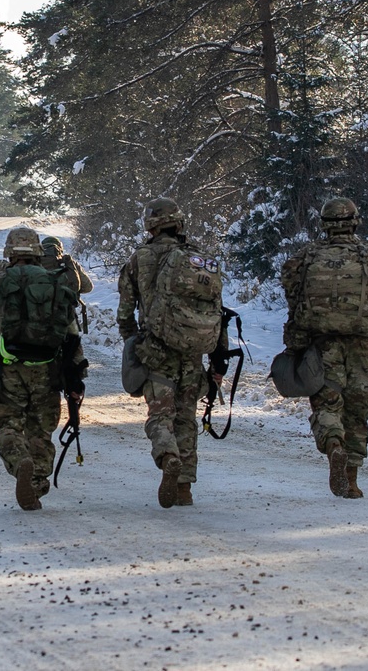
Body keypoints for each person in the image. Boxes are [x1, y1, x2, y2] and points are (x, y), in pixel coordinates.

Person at [280, 197, 368, 499]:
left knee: (327, 401)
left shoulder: (305, 257)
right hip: (361, 342)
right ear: (355, 222)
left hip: (321, 343)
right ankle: (351, 476)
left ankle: (334, 444)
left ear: (324, 225)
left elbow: (292, 297)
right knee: (359, 405)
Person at [0, 227, 85, 510]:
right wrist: (76, 374)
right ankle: (38, 483)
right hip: (47, 368)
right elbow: (71, 332)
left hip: (8, 368)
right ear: (36, 252)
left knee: (8, 424)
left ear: (9, 252)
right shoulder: (55, 283)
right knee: (41, 430)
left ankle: (21, 464)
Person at [116, 198, 226, 508]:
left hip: (156, 353)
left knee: (160, 416)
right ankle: (184, 489)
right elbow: (217, 309)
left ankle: (167, 456)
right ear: (179, 223)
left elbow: (125, 311)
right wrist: (217, 356)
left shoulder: (140, 259)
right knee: (186, 420)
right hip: (192, 354)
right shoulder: (199, 260)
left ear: (150, 226)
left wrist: (133, 343)